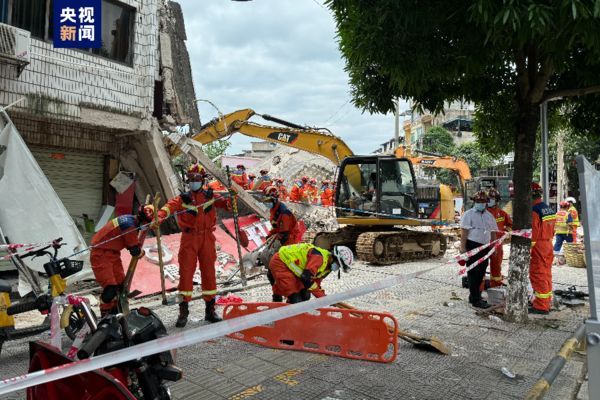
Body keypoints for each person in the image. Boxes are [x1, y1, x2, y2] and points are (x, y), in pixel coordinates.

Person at [157, 163, 231, 327]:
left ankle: (210, 311)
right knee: (186, 273)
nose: (193, 181)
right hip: (189, 239)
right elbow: (168, 207)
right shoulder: (182, 199)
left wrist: (233, 197)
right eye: (191, 179)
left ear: (203, 180)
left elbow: (228, 205)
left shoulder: (210, 195)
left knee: (209, 273)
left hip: (207, 238)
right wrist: (158, 217)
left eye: (197, 179)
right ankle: (183, 312)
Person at [91, 205, 154, 316]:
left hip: (113, 254)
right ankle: (106, 314)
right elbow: (135, 251)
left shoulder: (129, 219)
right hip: (101, 254)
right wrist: (142, 252)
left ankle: (117, 313)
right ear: (144, 221)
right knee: (111, 288)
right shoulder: (129, 226)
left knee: (121, 286)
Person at [267, 243, 353, 303]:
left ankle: (294, 315)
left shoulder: (327, 267)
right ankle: (283, 314)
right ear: (333, 257)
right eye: (338, 265)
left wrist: (322, 296)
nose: (336, 268)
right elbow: (306, 279)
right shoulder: (318, 258)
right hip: (281, 261)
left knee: (305, 296)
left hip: (294, 269)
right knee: (294, 298)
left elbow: (316, 282)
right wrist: (322, 297)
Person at [460, 190, 498, 308]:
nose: (480, 203)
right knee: (473, 273)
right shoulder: (468, 214)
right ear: (474, 202)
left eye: (483, 201)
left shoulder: (489, 216)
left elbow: (493, 233)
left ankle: (474, 297)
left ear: (486, 203)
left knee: (481, 272)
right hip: (472, 246)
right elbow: (464, 232)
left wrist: (494, 247)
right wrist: (463, 247)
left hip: (485, 248)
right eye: (478, 201)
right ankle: (476, 299)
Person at [529, 182, 556, 315]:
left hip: (538, 246)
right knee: (546, 273)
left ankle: (540, 306)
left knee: (538, 273)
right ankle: (546, 301)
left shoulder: (535, 210)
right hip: (548, 244)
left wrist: (528, 250)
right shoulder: (548, 208)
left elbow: (534, 233)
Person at [485, 188, 512, 287]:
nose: (490, 201)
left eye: (492, 198)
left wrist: (506, 233)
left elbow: (510, 225)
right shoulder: (482, 212)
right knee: (481, 267)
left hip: (497, 244)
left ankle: (495, 286)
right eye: (488, 198)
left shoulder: (501, 213)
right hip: (483, 243)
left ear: (497, 200)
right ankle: (479, 290)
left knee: (496, 267)